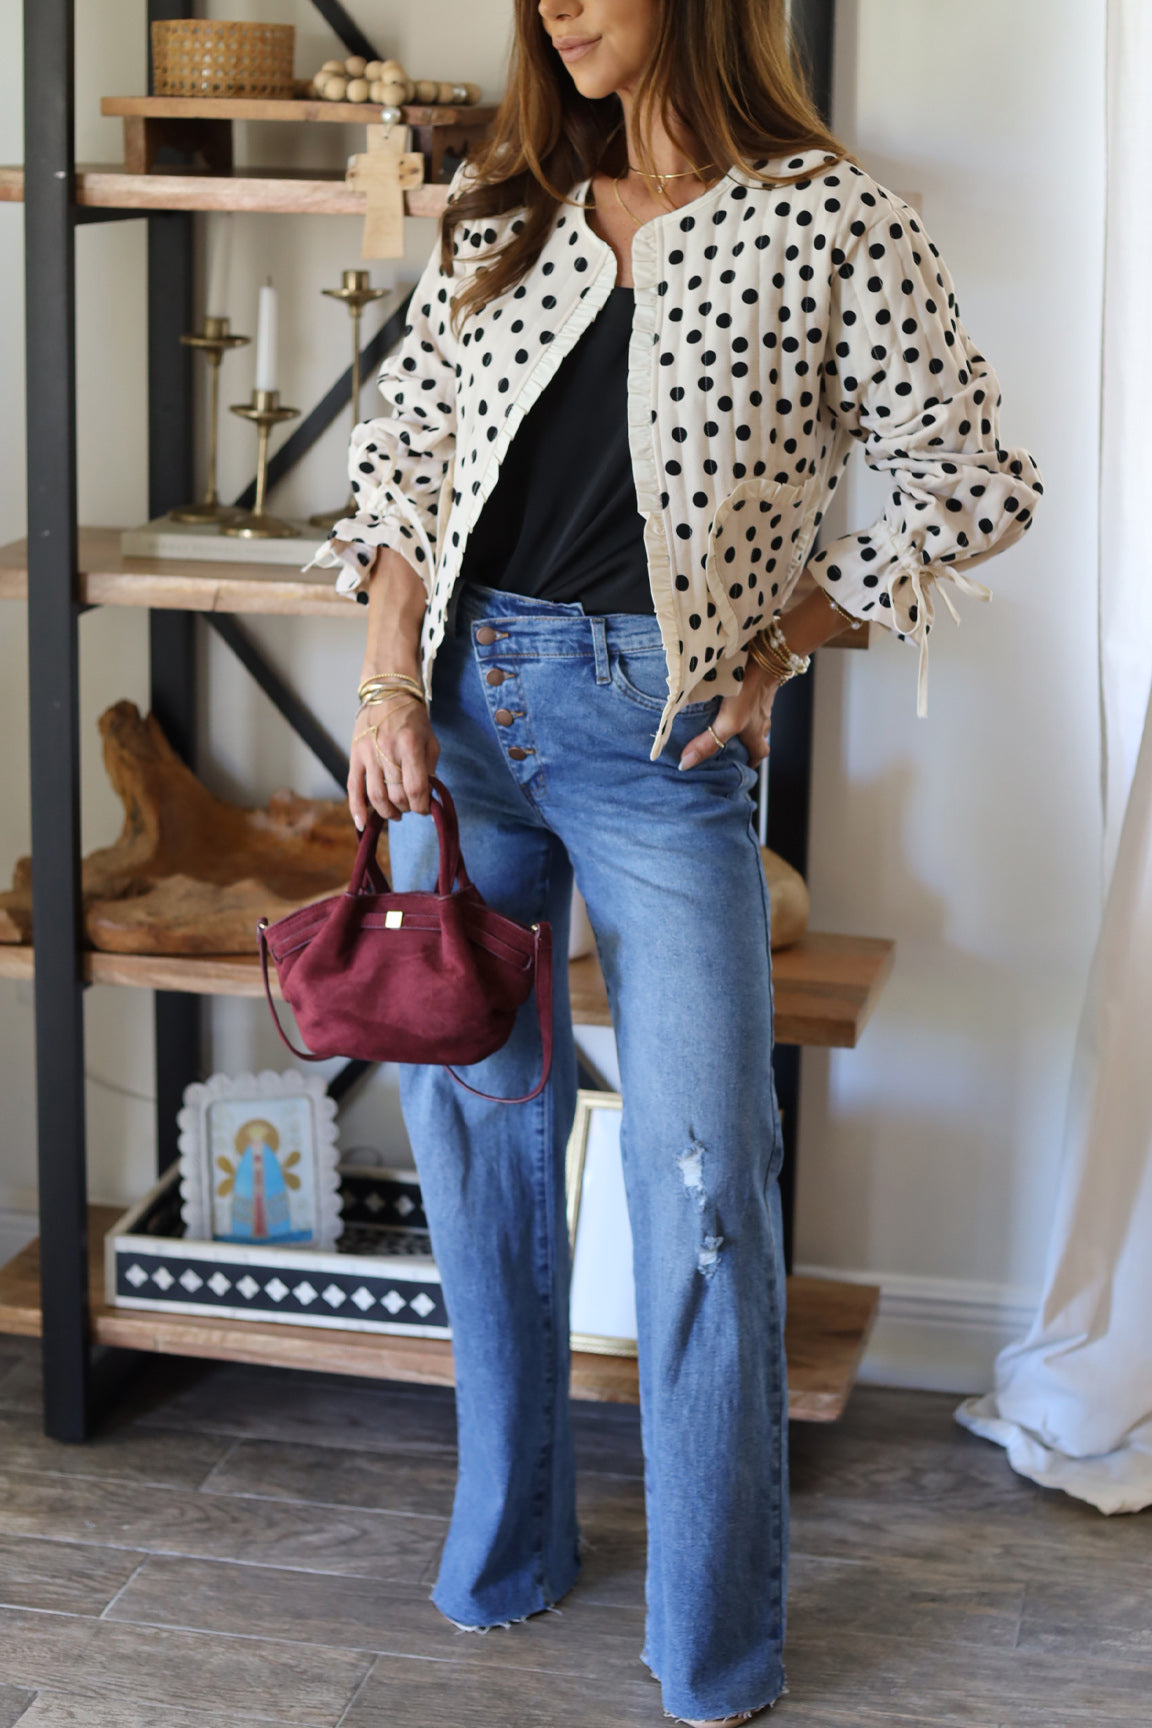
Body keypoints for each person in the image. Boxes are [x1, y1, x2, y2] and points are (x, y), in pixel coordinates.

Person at [308, 1, 1043, 1719]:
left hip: (663, 743)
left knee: (705, 1185)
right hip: (461, 727)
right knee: (481, 1145)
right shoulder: (503, 209)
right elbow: (405, 466)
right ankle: (509, 1546)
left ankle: (712, 1649)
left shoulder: (831, 218)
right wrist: (385, 678)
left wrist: (777, 645)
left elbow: (972, 483)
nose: (557, 8)